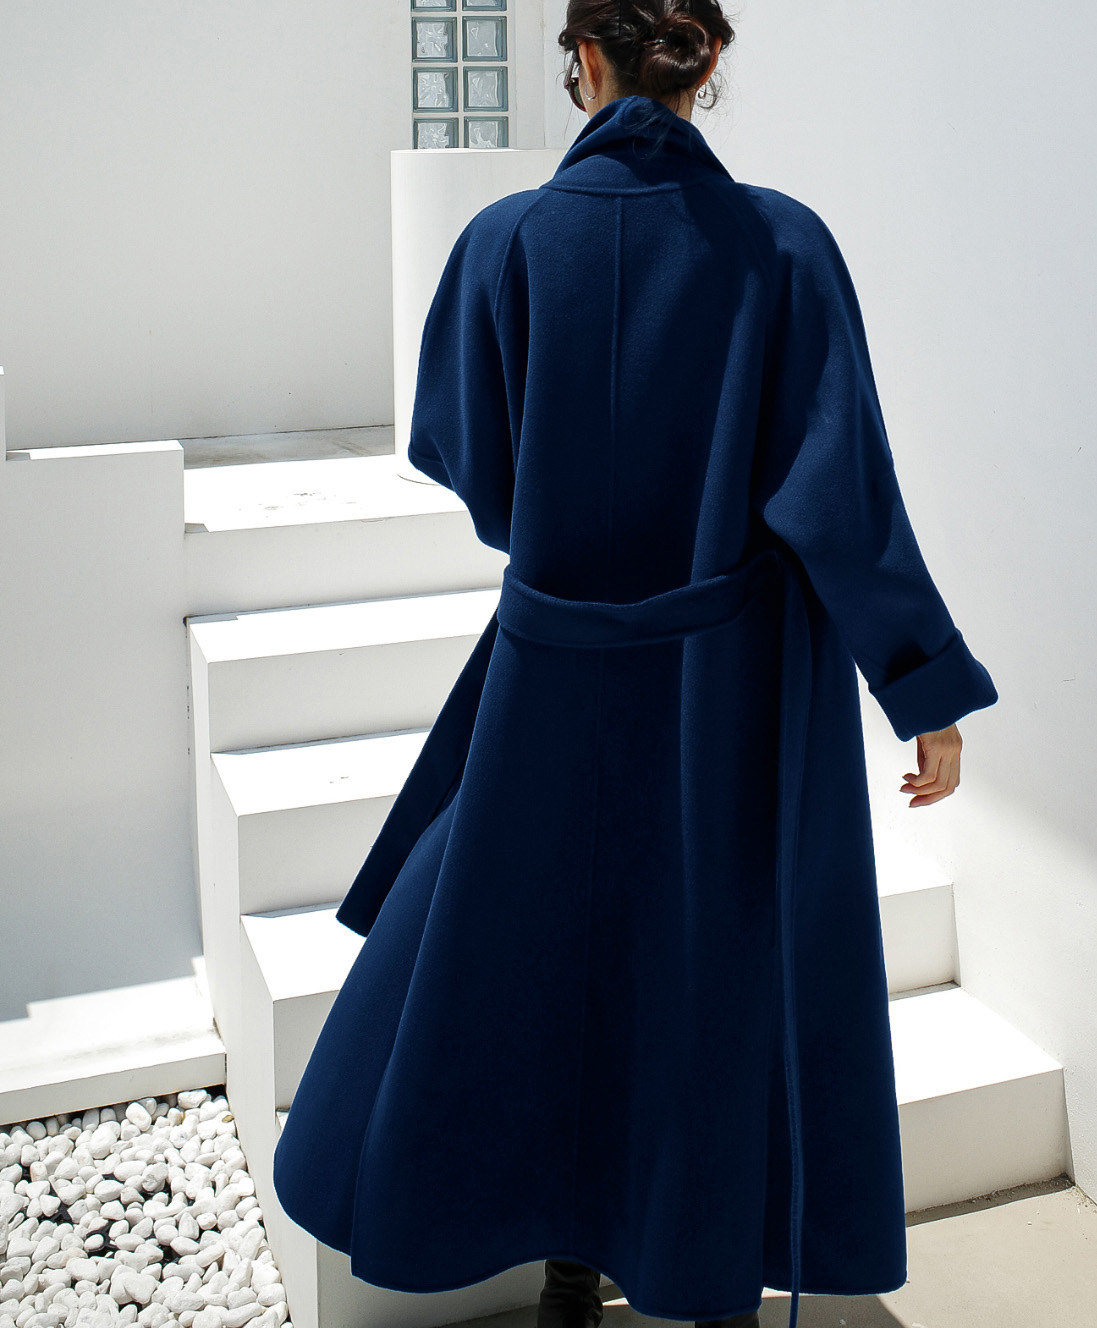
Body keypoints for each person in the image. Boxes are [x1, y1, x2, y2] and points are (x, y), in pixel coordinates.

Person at [272, 4, 998, 1328]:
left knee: (534, 953)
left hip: (549, 672)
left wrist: (567, 535)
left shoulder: (502, 244)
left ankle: (565, 1269)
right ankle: (698, 1272)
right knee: (699, 969)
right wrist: (923, 686)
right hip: (724, 690)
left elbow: (469, 467)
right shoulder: (781, 246)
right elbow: (842, 494)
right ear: (705, 63)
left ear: (585, 63)